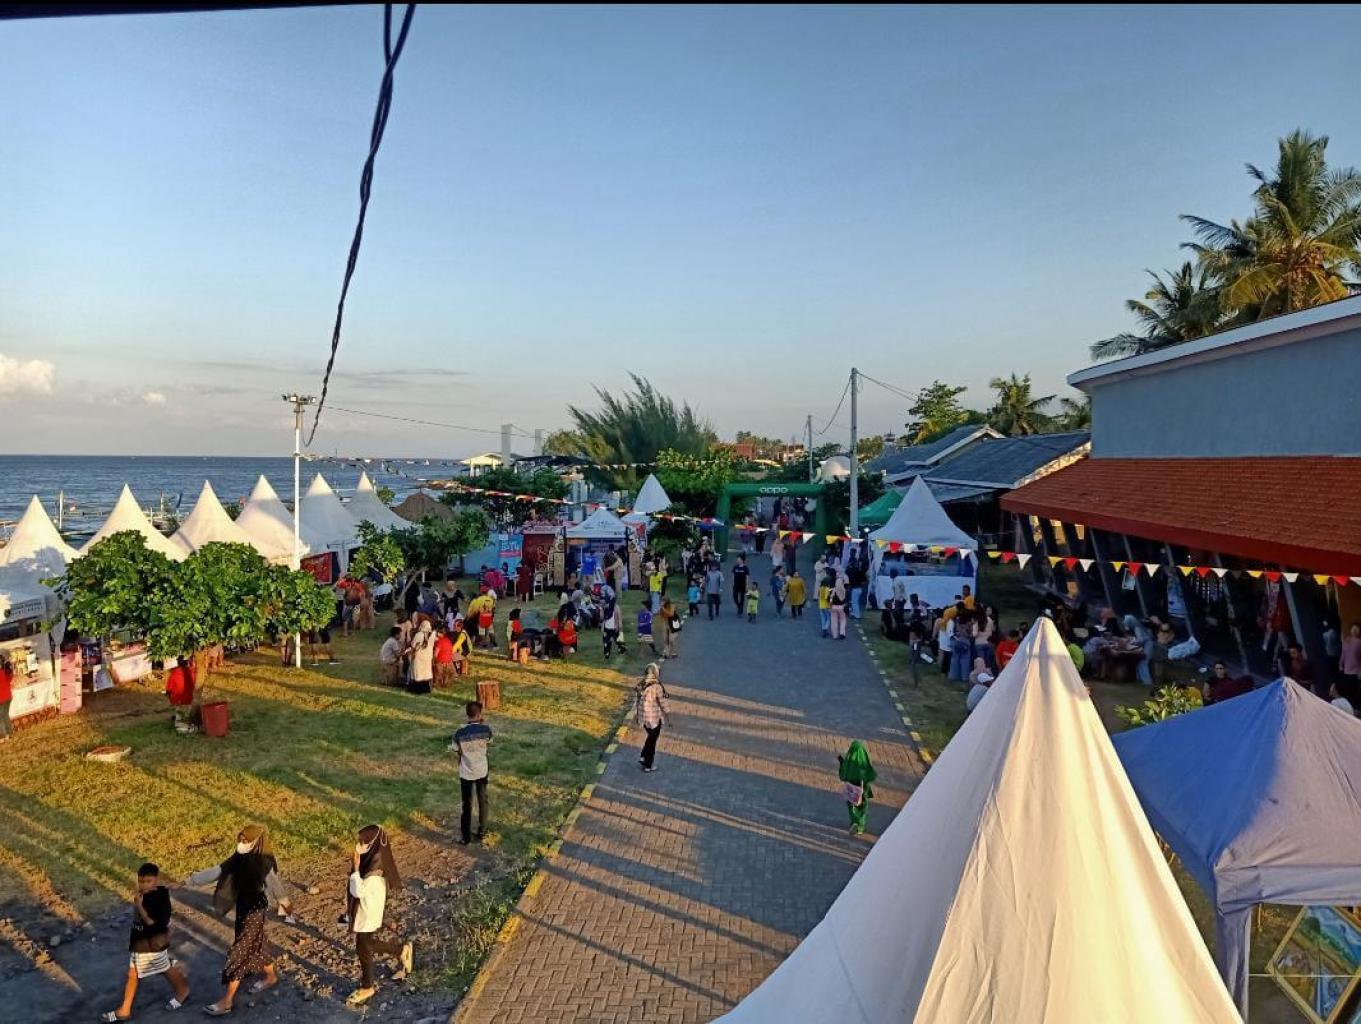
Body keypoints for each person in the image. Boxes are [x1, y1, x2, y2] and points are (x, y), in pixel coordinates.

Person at [186, 826, 286, 1016]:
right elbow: (218, 870)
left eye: (246, 841)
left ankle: (227, 1001)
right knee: (257, 944)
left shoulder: (264, 862)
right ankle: (271, 977)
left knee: (238, 952)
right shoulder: (239, 857)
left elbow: (275, 886)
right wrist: (189, 881)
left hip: (255, 910)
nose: (241, 844)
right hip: (243, 906)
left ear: (257, 842)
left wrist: (286, 905)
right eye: (240, 840)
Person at [99, 862, 191, 1022]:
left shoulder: (159, 899)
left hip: (152, 944)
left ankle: (182, 990)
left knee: (160, 968)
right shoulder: (147, 893)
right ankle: (125, 1009)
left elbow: (151, 923)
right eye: (141, 881)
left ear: (156, 879)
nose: (144, 885)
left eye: (148, 881)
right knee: (139, 972)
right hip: (141, 942)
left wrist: (139, 906)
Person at [345, 825, 413, 1007]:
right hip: (369, 913)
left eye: (363, 843)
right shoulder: (374, 864)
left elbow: (357, 891)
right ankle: (400, 950)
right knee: (366, 945)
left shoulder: (373, 873)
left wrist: (355, 869)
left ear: (373, 846)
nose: (358, 846)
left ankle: (367, 986)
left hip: (367, 915)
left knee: (364, 948)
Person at [451, 701, 492, 844]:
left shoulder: (459, 732)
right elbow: (489, 742)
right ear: (480, 714)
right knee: (483, 800)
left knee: (467, 804)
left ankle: (466, 837)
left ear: (467, 714)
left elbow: (456, 750)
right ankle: (482, 831)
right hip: (482, 770)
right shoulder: (486, 729)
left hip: (466, 771)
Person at [633, 663, 669, 773]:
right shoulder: (657, 686)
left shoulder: (641, 684)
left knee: (651, 737)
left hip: (643, 717)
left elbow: (637, 700)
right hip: (654, 718)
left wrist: (637, 715)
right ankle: (648, 765)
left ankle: (643, 756)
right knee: (653, 740)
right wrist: (668, 713)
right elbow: (662, 702)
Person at [837, 740, 876, 836]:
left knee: (852, 806)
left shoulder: (849, 762)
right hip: (863, 789)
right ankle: (860, 826)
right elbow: (871, 775)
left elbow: (842, 775)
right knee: (862, 808)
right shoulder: (864, 761)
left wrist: (841, 762)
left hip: (851, 790)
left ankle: (854, 822)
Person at [406, 620, 436, 694]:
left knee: (418, 673)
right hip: (428, 657)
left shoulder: (419, 634)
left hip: (419, 657)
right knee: (426, 673)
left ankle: (417, 690)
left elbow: (413, 646)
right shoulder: (433, 634)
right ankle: (427, 689)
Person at [1340, 623, 1361, 707]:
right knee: (1350, 692)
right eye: (1353, 629)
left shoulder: (1359, 642)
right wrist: (1340, 664)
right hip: (1347, 670)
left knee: (1357, 692)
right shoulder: (1346, 641)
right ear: (1350, 630)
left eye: (1357, 629)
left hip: (1357, 671)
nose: (1355, 630)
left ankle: (1357, 707)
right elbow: (1343, 654)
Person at [0, 654, 13, 743]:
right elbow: (10, 678)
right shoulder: (6, 671)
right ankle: (9, 733)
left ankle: (3, 736)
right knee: (5, 715)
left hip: (1, 698)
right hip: (8, 696)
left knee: (1, 717)